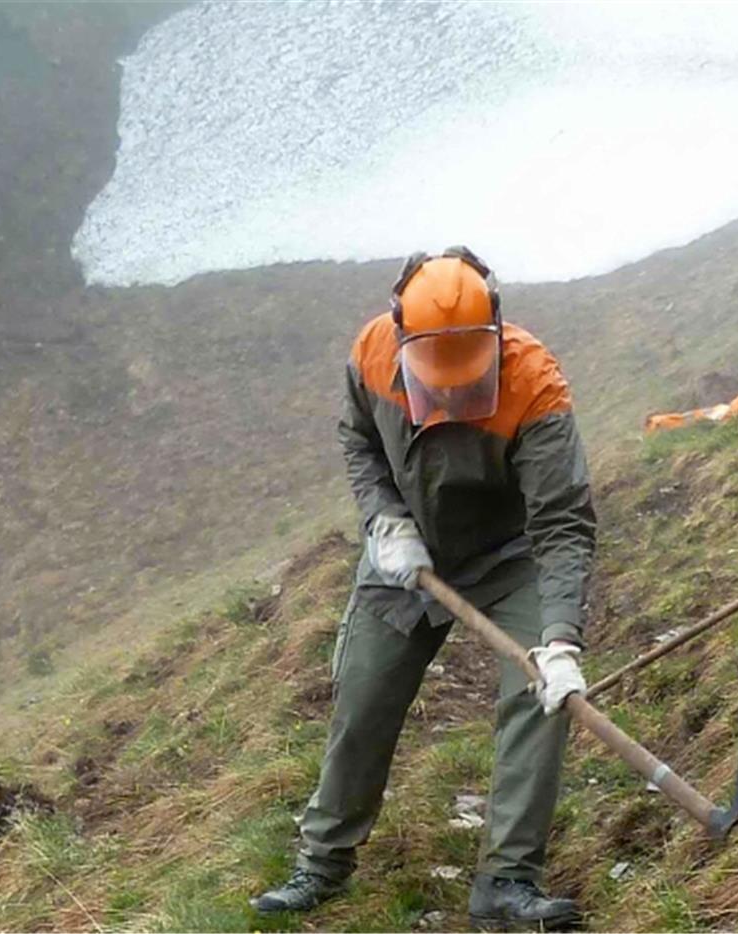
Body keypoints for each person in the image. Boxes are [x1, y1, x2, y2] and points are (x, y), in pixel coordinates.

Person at [251, 246, 597, 929]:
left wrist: (559, 640)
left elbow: (561, 525)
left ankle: (506, 881)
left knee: (539, 700)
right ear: (401, 335)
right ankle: (324, 861)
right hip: (404, 554)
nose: (448, 394)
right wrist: (383, 519)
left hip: (508, 558)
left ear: (495, 335)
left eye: (465, 382)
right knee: (364, 696)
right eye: (434, 380)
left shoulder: (535, 387)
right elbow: (358, 443)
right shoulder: (373, 353)